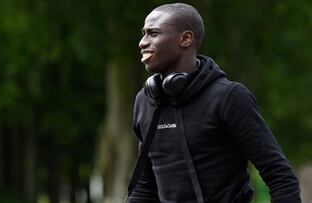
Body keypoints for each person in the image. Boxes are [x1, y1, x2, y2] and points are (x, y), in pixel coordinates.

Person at [127, 3, 301, 203]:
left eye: (153, 33)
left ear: (185, 38)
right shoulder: (146, 101)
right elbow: (145, 187)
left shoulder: (230, 97)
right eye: (143, 34)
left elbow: (281, 178)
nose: (142, 42)